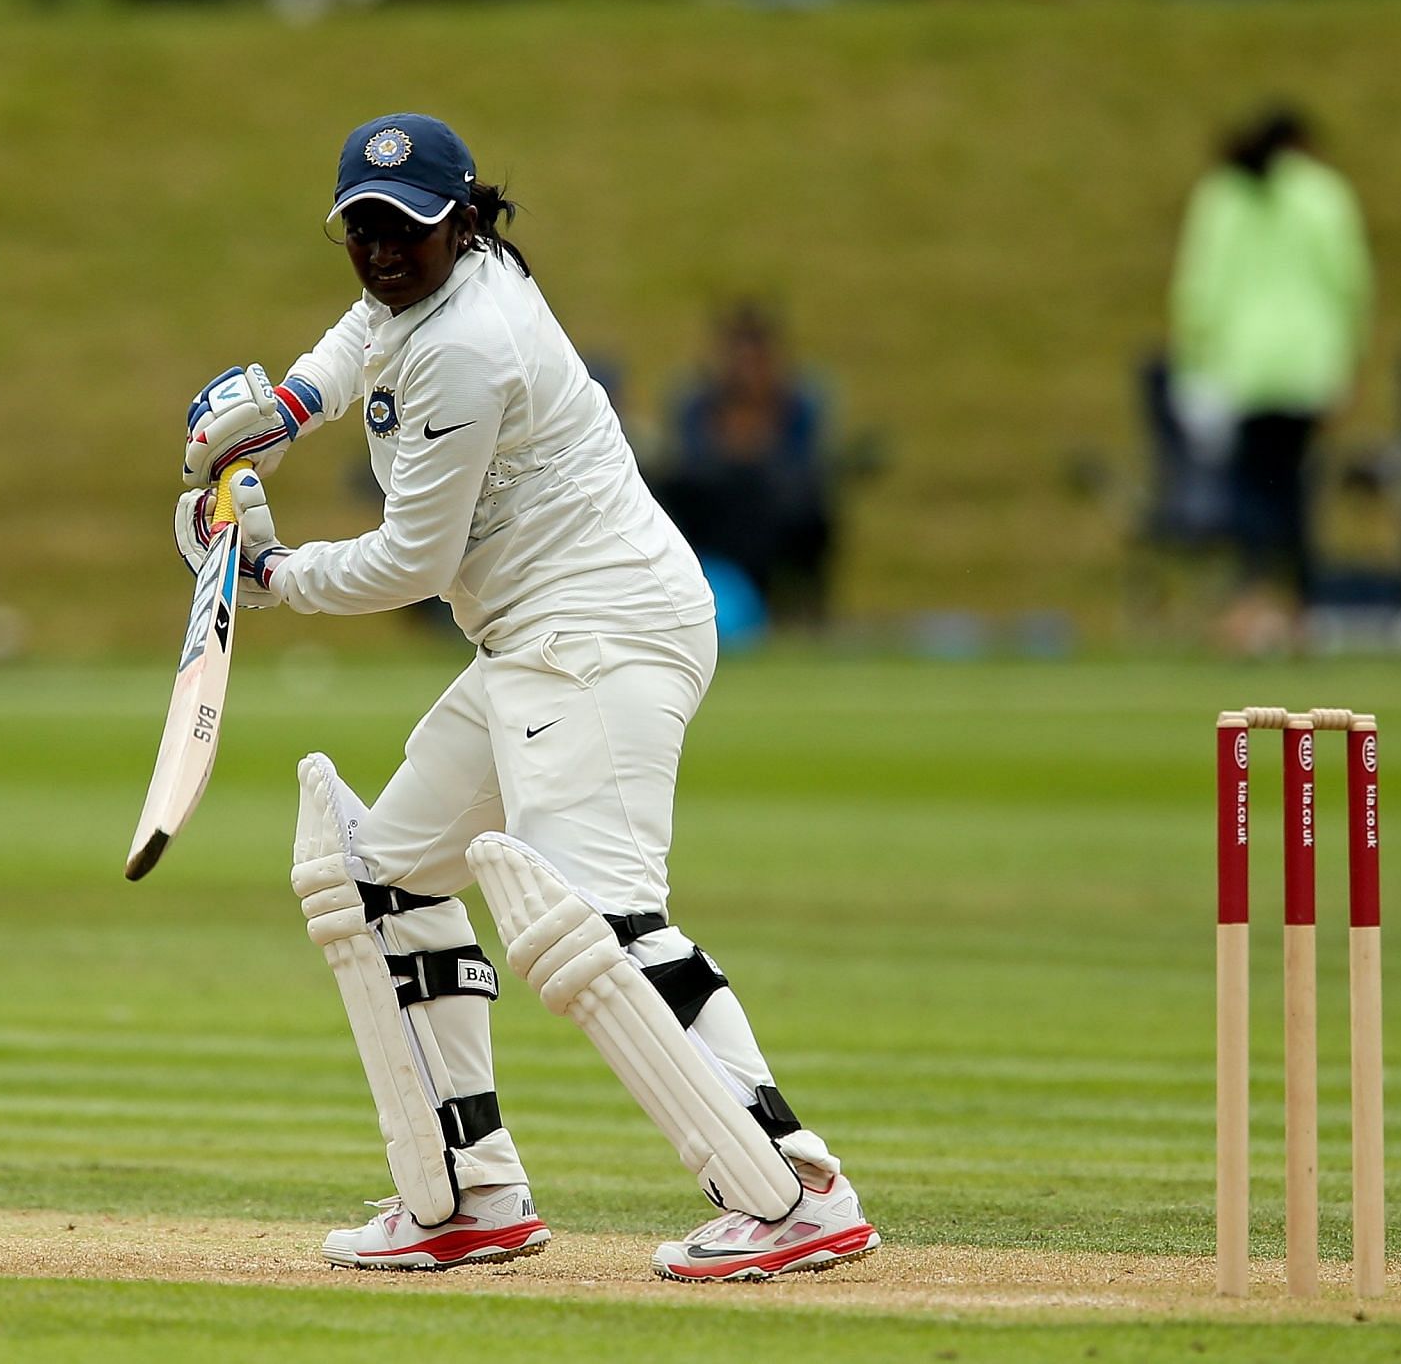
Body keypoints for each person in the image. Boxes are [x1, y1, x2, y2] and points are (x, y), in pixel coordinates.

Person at [170, 114, 877, 1282]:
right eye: (363, 228)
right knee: (383, 875)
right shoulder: (438, 288)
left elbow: (408, 562)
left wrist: (271, 575)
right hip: (537, 644)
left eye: (408, 228)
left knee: (602, 916)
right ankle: (469, 1192)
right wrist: (294, 407)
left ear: (463, 220)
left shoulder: (469, 345)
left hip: (599, 638)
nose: (384, 251)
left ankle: (796, 1188)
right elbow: (365, 326)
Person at [1169, 104, 1373, 638]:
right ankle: (1302, 607)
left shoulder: (1221, 194)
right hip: (1308, 363)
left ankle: (1253, 603)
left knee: (1252, 486)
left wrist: (1195, 361)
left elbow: (1200, 287)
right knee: (1296, 487)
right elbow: (1349, 283)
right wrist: (1346, 362)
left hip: (1243, 364)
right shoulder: (1325, 193)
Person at [655, 302, 836, 626]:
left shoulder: (797, 405)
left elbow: (805, 468)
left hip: (777, 515)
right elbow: (689, 468)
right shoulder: (698, 406)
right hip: (715, 517)